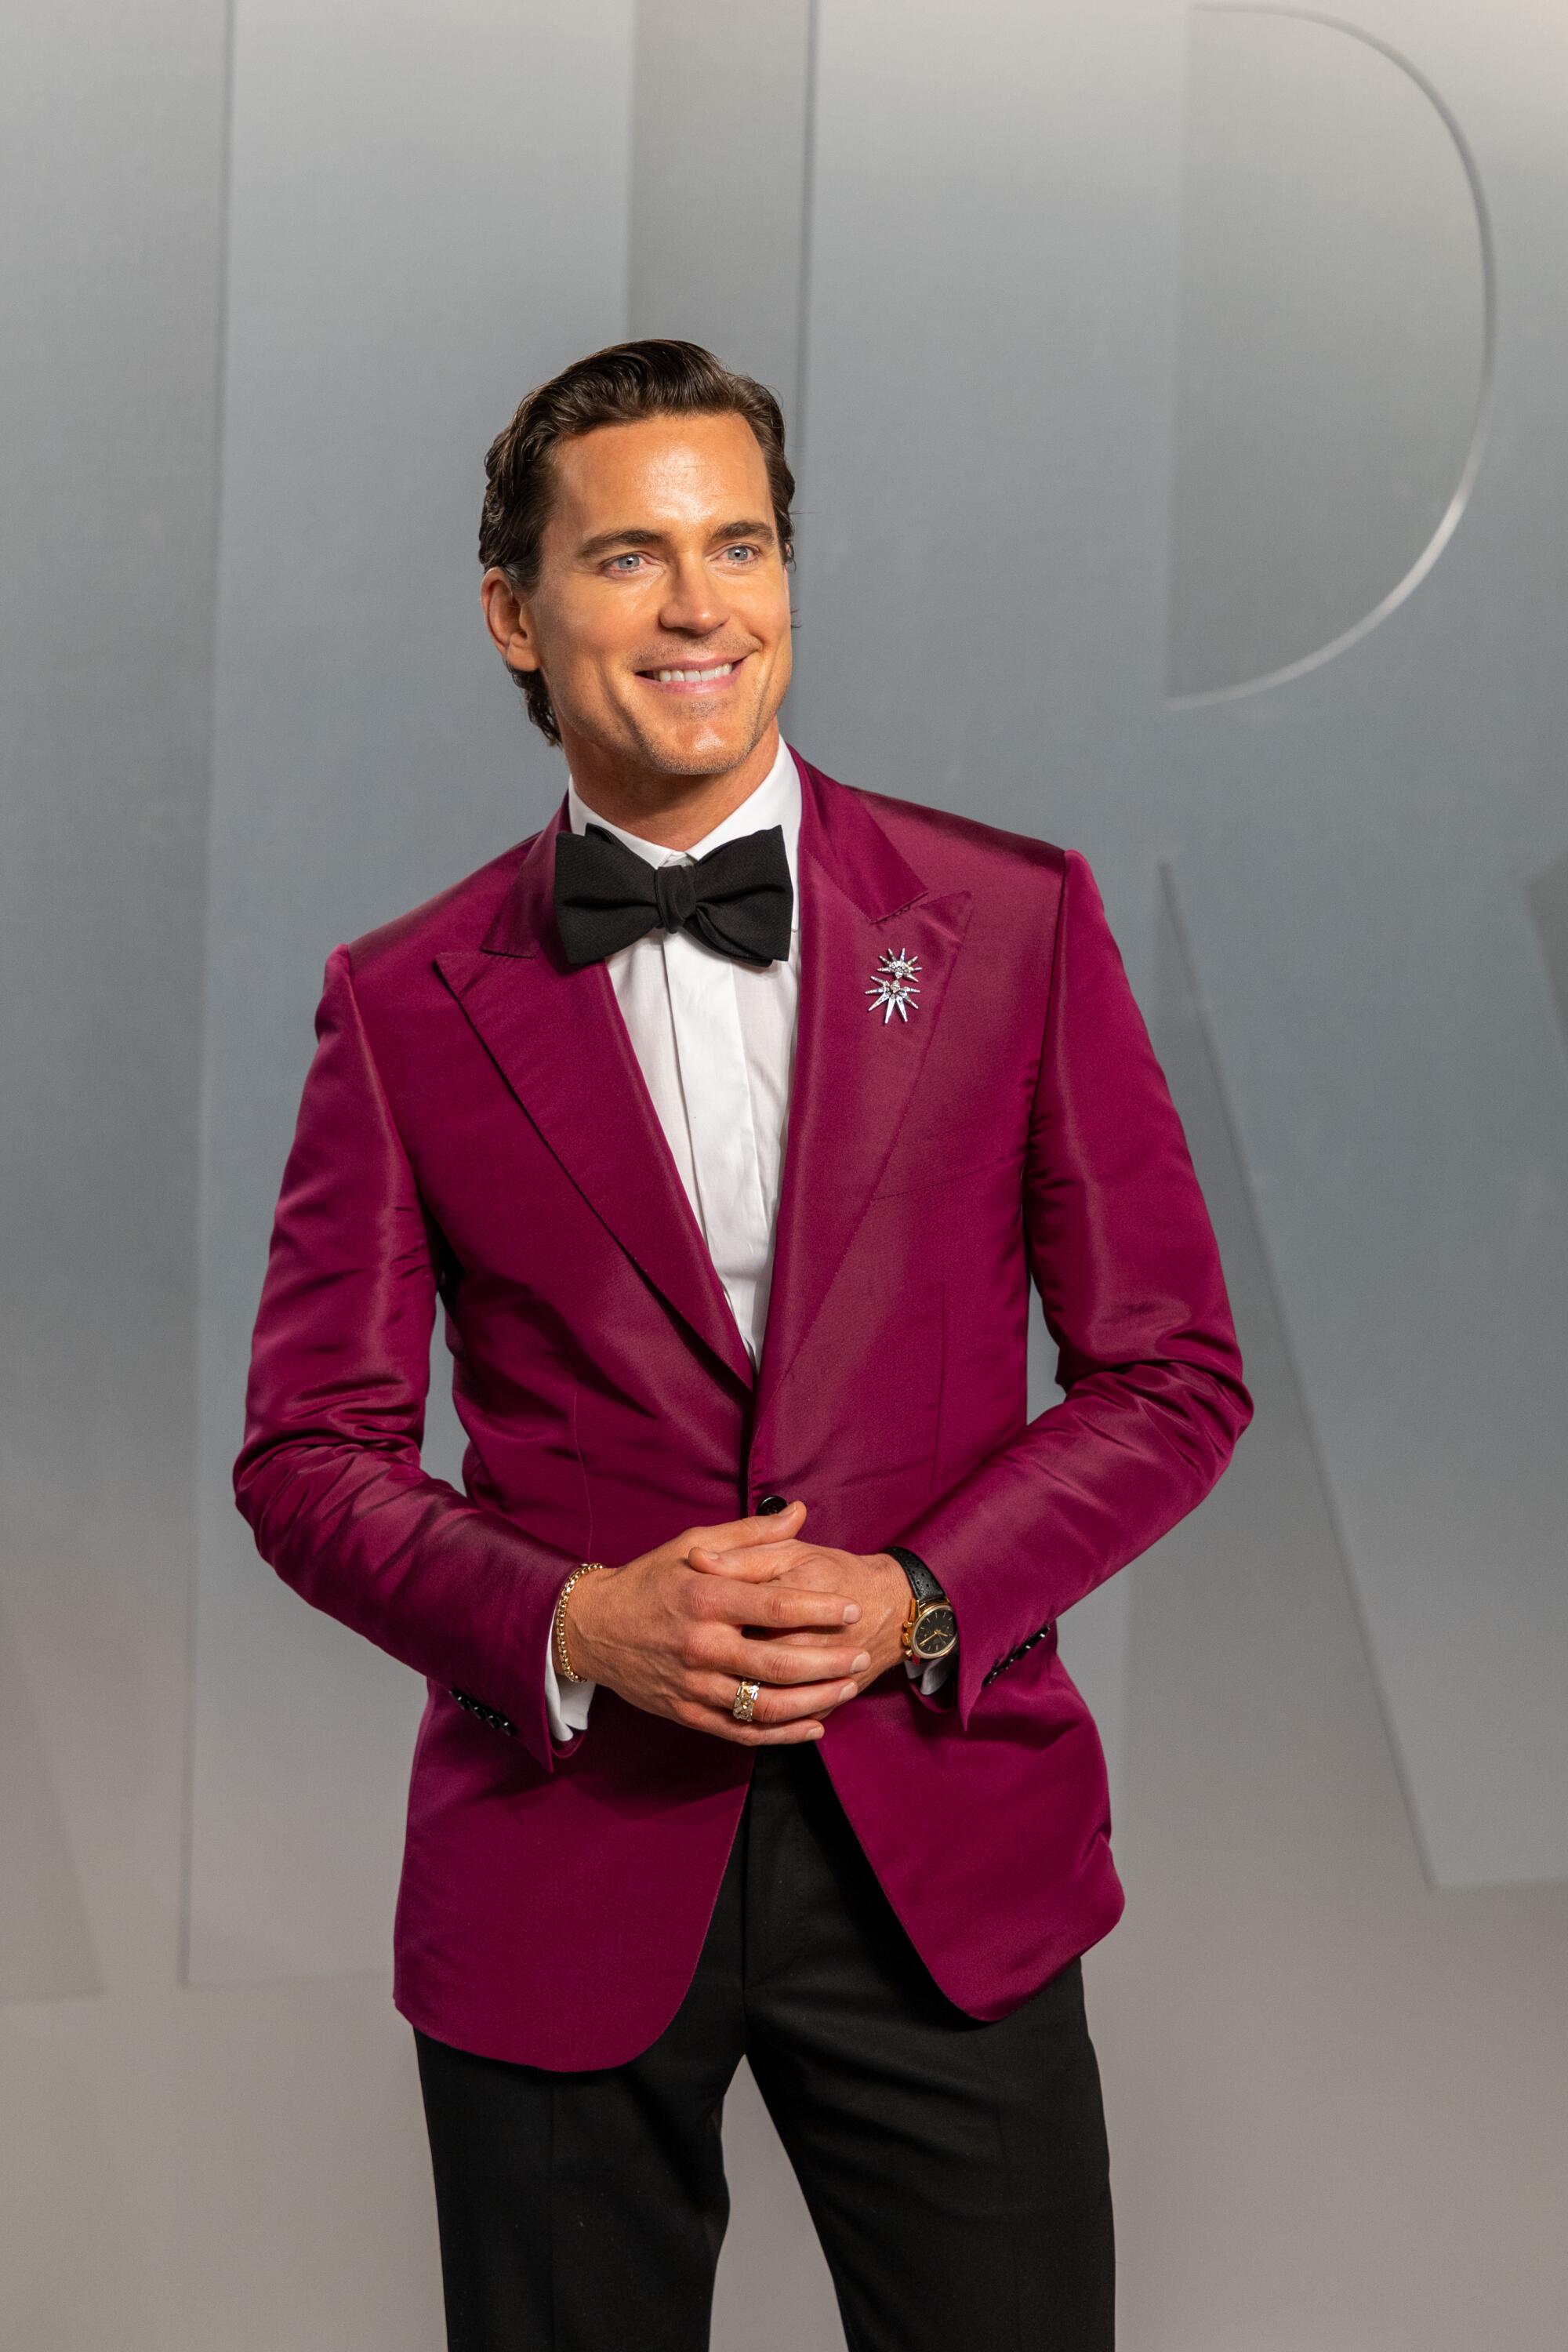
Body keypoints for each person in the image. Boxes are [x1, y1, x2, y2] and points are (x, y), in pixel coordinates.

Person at [234, 337, 1252, 2350]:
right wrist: (575, 1624)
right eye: (631, 556)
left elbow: (1171, 1374)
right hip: (563, 1849)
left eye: (741, 546)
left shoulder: (1014, 923)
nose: (701, 606)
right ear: (519, 613)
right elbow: (308, 1456)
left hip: (944, 1842)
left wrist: (918, 1599)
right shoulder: (401, 1001)